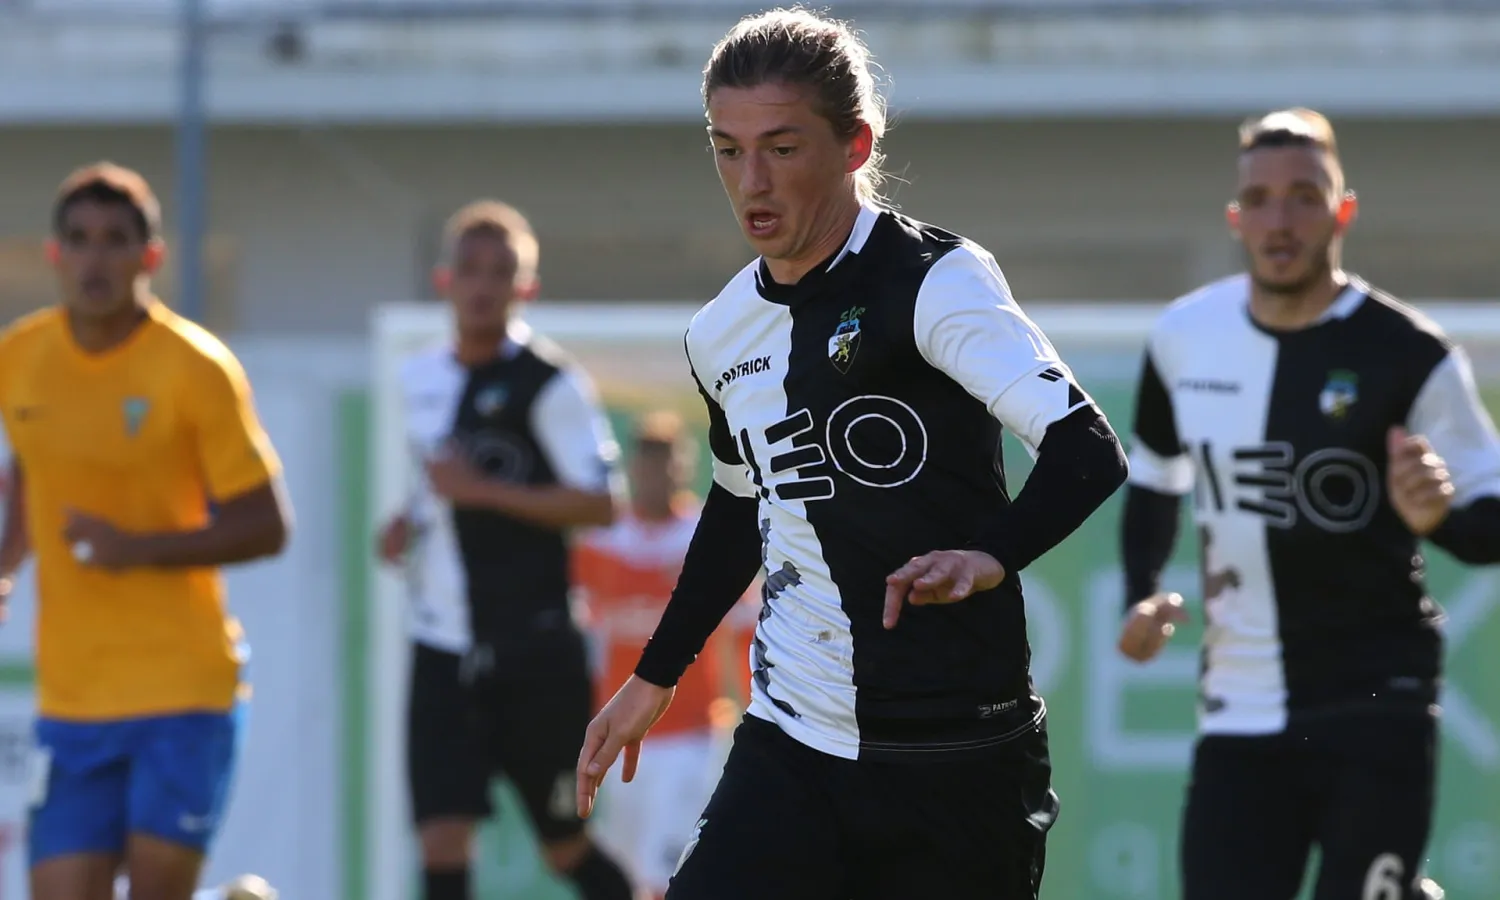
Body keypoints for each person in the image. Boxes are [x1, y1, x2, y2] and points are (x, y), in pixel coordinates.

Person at [575, 9, 1129, 899]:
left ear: (855, 145)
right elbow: (738, 506)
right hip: (794, 741)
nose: (751, 179)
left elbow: (1087, 451)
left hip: (959, 752)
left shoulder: (934, 281)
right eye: (727, 148)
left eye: (783, 148)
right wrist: (655, 675)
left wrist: (990, 555)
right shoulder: (721, 332)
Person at [1117, 108, 1499, 900]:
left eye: (1304, 196)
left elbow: (1489, 515)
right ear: (1235, 219)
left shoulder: (1409, 355)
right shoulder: (1186, 335)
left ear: (1342, 211)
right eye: (1259, 200)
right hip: (1239, 706)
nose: (1280, 220)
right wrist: (1140, 591)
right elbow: (1156, 476)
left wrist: (1443, 521)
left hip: (1376, 697)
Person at [0, 162, 293, 900]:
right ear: (54, 254)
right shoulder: (20, 358)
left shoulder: (195, 368)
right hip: (72, 700)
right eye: (79, 240)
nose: (95, 260)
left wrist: (138, 551)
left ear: (151, 257)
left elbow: (267, 524)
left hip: (184, 692)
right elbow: (32, 471)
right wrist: (7, 563)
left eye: (114, 241)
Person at [375, 200, 635, 900]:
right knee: (440, 838)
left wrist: (483, 493)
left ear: (528, 289)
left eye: (502, 272)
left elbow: (600, 502)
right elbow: (439, 490)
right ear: (444, 280)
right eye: (470, 269)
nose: (483, 285)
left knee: (564, 847)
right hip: (441, 647)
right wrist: (410, 523)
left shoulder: (550, 384)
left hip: (533, 647)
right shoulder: (419, 377)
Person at [573, 411, 758, 900]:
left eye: (668, 462)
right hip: (617, 738)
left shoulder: (707, 536)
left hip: (690, 738)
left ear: (685, 466)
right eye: (648, 463)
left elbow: (744, 635)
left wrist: (757, 716)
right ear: (633, 467)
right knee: (623, 878)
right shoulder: (598, 543)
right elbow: (583, 642)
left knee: (667, 877)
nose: (658, 474)